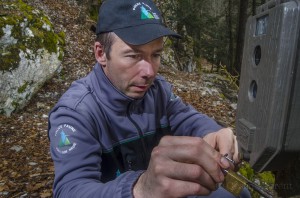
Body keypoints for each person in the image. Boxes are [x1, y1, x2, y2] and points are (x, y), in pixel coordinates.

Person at [48, 0, 251, 197]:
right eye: (134, 56)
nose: (149, 71)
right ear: (101, 53)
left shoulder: (156, 91)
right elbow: (70, 189)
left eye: (155, 55)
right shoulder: (75, 113)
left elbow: (185, 117)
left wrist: (213, 133)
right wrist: (139, 190)